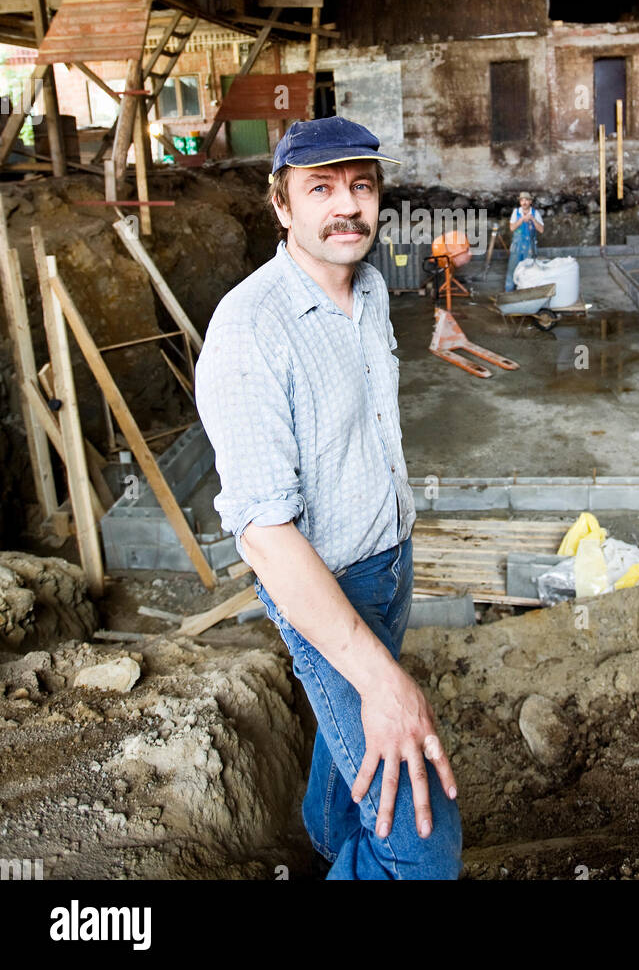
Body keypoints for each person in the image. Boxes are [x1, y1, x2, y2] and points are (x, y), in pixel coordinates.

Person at [195, 116, 462, 881]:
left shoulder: (371, 287)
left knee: (347, 753)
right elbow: (267, 537)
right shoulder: (251, 331)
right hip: (323, 586)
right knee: (423, 850)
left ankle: (323, 843)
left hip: (388, 562)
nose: (346, 206)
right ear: (281, 206)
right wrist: (384, 682)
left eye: (361, 186)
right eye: (321, 188)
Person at [505, 190, 544, 291]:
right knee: (512, 270)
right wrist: (522, 219)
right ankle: (508, 293)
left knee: (528, 271)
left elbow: (541, 230)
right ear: (520, 202)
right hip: (517, 246)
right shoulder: (516, 212)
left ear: (530, 202)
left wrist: (533, 220)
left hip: (530, 247)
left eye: (527, 200)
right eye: (522, 200)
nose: (524, 202)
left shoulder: (535, 213)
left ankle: (525, 293)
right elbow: (512, 228)